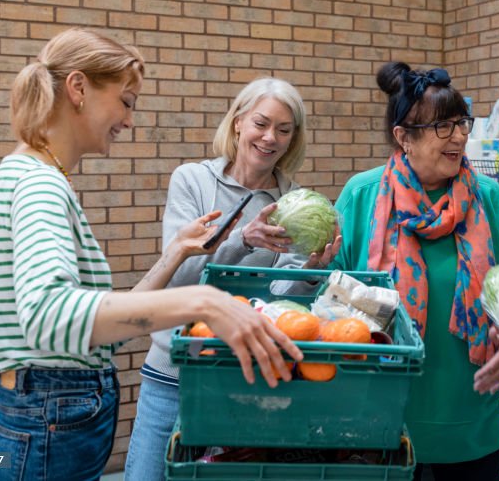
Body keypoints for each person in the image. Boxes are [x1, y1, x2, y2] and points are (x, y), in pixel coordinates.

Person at [0, 29, 303, 481]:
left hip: (29, 421)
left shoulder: (30, 173)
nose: (129, 120)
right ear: (78, 89)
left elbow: (99, 334)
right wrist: (203, 302)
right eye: (126, 101)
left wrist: (174, 258)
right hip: (44, 423)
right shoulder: (39, 185)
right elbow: (50, 314)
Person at [125, 77, 341, 481]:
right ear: (238, 121)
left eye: (283, 129)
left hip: (245, 377)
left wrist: (311, 273)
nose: (270, 137)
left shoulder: (293, 203)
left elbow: (279, 301)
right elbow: (178, 277)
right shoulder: (193, 181)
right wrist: (242, 239)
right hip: (177, 373)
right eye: (261, 123)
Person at [329, 62, 499, 481]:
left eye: (462, 123)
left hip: (471, 425)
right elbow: (326, 303)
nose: (459, 135)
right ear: (404, 137)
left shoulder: (488, 199)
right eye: (443, 126)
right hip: (379, 426)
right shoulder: (363, 197)